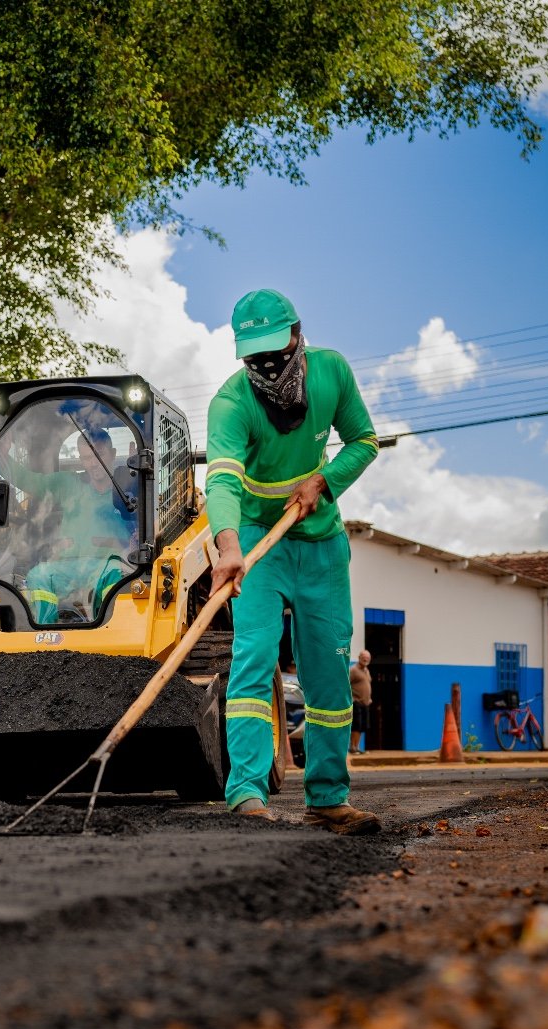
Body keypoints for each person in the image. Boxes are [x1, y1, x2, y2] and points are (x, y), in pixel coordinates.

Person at [206, 288, 381, 833]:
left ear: (298, 336)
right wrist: (229, 546)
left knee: (328, 673)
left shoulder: (331, 374)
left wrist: (322, 481)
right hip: (260, 542)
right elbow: (222, 480)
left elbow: (365, 441)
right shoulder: (232, 403)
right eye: (255, 356)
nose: (267, 365)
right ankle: (246, 792)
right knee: (254, 658)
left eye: (276, 352)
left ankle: (328, 795)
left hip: (322, 546)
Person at [4, 425, 138, 624]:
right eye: (86, 458)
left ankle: (115, 628)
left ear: (112, 454)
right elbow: (30, 481)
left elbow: (144, 528)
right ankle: (43, 636)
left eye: (98, 455)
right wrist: (3, 456)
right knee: (39, 575)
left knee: (115, 576)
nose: (93, 463)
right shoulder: (69, 485)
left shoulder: (130, 489)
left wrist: (136, 474)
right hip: (71, 567)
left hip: (110, 566)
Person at [349, 649, 373, 754]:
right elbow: (346, 685)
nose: (365, 659)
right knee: (356, 726)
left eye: (367, 658)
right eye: (363, 657)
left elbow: (367, 685)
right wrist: (351, 698)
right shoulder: (353, 670)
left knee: (362, 727)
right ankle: (353, 747)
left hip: (365, 703)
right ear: (359, 658)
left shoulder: (366, 670)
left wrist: (369, 698)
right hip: (356, 702)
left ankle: (356, 747)